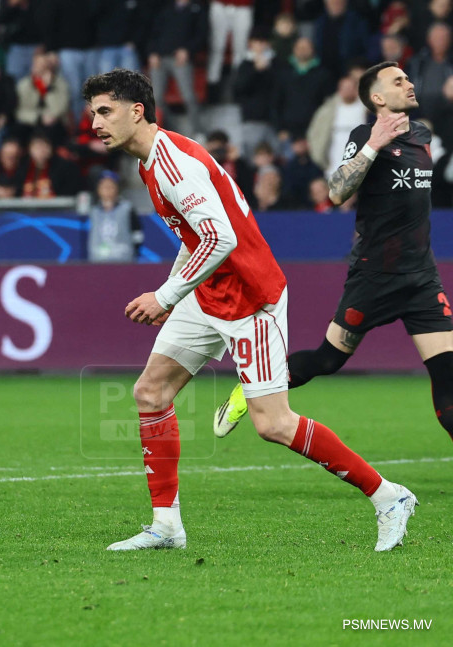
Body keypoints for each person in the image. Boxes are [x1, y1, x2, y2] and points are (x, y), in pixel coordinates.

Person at [82, 69, 417, 553]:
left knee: (273, 424)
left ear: (137, 112)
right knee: (151, 392)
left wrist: (166, 296)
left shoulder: (173, 164)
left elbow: (220, 238)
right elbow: (195, 237)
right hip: (207, 291)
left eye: (104, 111)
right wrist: (174, 290)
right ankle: (166, 526)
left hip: (249, 298)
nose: (95, 123)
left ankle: (388, 496)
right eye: (93, 113)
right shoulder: (152, 161)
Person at [213, 62, 453, 448]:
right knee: (327, 361)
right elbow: (337, 192)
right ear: (378, 98)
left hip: (422, 277)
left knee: (447, 375)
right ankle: (250, 387)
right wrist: (374, 145)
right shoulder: (364, 135)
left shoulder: (423, 135)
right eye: (398, 81)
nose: (409, 84)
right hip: (375, 275)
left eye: (408, 78)